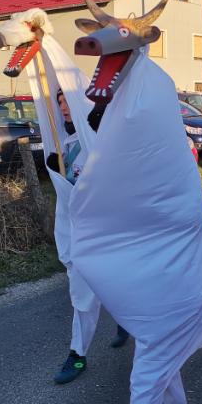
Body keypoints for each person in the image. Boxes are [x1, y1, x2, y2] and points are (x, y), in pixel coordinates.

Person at [68, 0, 202, 404]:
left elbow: (160, 181)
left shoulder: (153, 92)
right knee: (158, 350)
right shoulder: (122, 106)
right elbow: (114, 162)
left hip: (178, 276)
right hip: (149, 266)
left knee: (147, 371)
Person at [48, 87, 128, 385]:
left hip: (102, 232)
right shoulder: (67, 142)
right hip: (75, 233)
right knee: (84, 289)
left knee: (105, 284)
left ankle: (82, 350)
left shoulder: (99, 141)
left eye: (67, 101)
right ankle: (84, 348)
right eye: (59, 104)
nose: (63, 108)